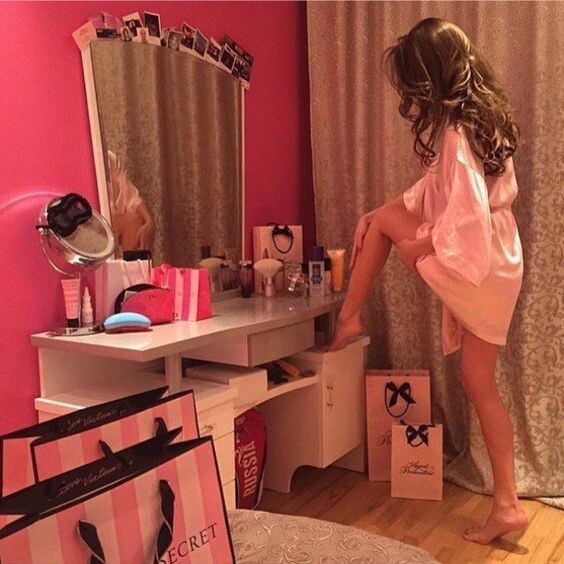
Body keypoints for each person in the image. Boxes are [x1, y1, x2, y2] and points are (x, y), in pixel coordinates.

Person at [327, 18, 527, 544]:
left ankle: (349, 316)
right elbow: (441, 191)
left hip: (480, 258)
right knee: (479, 383)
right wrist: (386, 214)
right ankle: (507, 504)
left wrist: (422, 244)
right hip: (502, 259)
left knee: (384, 225)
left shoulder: (457, 134)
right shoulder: (483, 122)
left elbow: (466, 217)